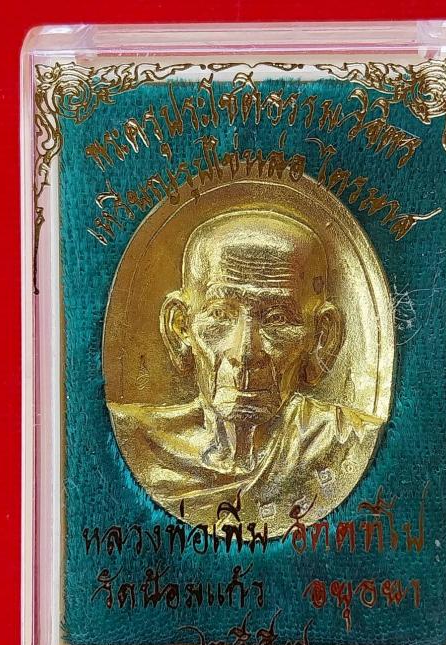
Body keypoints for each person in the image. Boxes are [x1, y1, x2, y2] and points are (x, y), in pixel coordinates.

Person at [108, 209, 383, 532]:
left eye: (277, 318)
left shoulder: (345, 441)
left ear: (322, 337)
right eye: (220, 315)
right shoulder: (142, 442)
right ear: (180, 328)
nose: (246, 353)